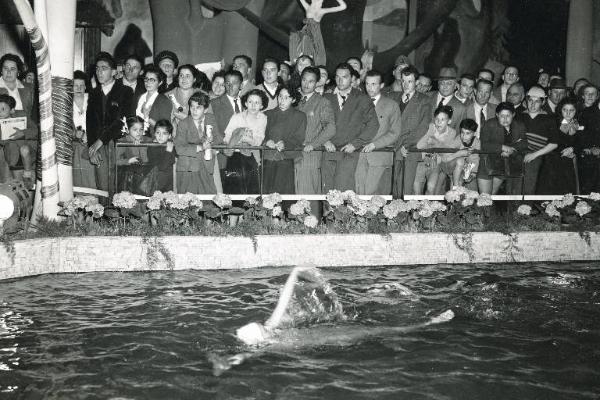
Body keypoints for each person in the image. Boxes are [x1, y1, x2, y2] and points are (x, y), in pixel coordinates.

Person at [209, 265, 455, 376]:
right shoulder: (272, 344)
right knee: (382, 331)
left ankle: (425, 326)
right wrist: (226, 363)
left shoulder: (271, 331)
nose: (266, 325)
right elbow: (245, 356)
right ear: (261, 337)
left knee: (376, 330)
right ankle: (429, 325)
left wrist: (295, 273)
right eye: (262, 328)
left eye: (262, 325)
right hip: (334, 338)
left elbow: (282, 302)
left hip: (331, 334)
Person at [322, 62, 379, 191]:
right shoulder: (326, 97)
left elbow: (373, 125)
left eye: (345, 77)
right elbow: (316, 123)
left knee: (343, 191)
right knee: (327, 192)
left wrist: (355, 144)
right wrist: (325, 140)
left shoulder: (362, 99)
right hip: (328, 151)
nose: (340, 80)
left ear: (352, 79)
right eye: (337, 76)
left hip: (349, 152)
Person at [87, 52, 134, 192]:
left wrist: (99, 141)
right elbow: (90, 123)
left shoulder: (125, 91)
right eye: (97, 68)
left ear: (114, 72)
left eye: (104, 68)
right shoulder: (93, 93)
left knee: (119, 188)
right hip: (98, 147)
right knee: (103, 189)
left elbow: (122, 120)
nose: (99, 72)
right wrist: (92, 149)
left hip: (117, 144)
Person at [355, 69, 401, 195]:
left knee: (373, 195)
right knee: (358, 193)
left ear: (381, 85)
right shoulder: (358, 103)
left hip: (379, 156)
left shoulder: (391, 105)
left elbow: (395, 132)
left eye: (374, 84)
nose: (370, 88)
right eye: (367, 84)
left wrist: (375, 144)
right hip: (358, 155)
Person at [296, 66, 336, 197]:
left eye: (311, 81)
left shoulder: (322, 102)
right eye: (304, 80)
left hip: (310, 155)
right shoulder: (292, 99)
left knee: (308, 194)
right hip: (291, 152)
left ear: (317, 82)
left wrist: (314, 144)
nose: (306, 84)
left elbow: (330, 128)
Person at [394, 66, 432, 197]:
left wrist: (408, 145)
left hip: (408, 150)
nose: (405, 84)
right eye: (403, 81)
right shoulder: (394, 98)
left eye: (409, 81)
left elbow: (423, 127)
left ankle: (404, 217)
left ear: (416, 82)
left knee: (405, 189)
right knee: (392, 188)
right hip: (391, 148)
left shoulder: (424, 100)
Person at [222, 88, 268, 194]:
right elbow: (227, 137)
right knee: (235, 189)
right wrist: (240, 138)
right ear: (246, 103)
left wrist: (247, 139)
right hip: (235, 156)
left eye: (257, 103)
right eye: (250, 102)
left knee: (251, 190)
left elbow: (259, 139)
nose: (253, 105)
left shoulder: (263, 118)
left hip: (252, 157)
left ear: (262, 106)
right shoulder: (236, 117)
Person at [263, 85, 307, 194]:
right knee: (266, 192)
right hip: (269, 158)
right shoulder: (268, 114)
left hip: (288, 158)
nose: (282, 100)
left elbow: (299, 137)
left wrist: (285, 144)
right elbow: (261, 134)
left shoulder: (300, 116)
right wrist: (266, 141)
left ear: (293, 99)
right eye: (280, 96)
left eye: (287, 97)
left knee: (284, 193)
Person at [174, 92, 221, 194]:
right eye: (192, 107)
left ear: (206, 109)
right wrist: (200, 147)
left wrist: (213, 141)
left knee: (209, 201)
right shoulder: (183, 123)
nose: (194, 111)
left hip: (206, 166)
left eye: (198, 107)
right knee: (188, 203)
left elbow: (219, 138)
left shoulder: (211, 118)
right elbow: (179, 149)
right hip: (188, 168)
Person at [477, 102, 528, 195]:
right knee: (485, 198)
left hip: (502, 165)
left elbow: (524, 143)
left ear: (513, 114)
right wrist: (502, 147)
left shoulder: (519, 125)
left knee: (492, 195)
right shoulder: (489, 124)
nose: (505, 119)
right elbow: (484, 145)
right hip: (487, 163)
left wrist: (510, 149)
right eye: (502, 116)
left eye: (508, 115)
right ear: (497, 115)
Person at [518, 86, 557, 195]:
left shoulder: (549, 119)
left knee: (528, 187)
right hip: (518, 154)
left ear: (543, 102)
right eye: (530, 100)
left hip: (536, 155)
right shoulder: (519, 116)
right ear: (526, 100)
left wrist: (534, 155)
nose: (533, 104)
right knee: (515, 187)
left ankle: (526, 210)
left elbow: (554, 143)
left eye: (537, 101)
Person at [536, 98, 579, 195]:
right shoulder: (554, 122)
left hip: (568, 163)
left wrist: (572, 149)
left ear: (576, 111)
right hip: (551, 161)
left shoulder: (577, 124)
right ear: (560, 110)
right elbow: (551, 142)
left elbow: (580, 142)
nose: (568, 113)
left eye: (571, 110)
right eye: (565, 110)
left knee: (567, 193)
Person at [415, 105, 457, 195]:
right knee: (416, 190)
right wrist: (429, 133)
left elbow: (446, 151)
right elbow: (419, 146)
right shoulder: (430, 127)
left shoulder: (452, 132)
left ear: (449, 121)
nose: (439, 122)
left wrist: (434, 141)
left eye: (443, 119)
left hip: (436, 163)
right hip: (421, 161)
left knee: (431, 187)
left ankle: (427, 207)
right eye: (437, 119)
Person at [0, 94, 38, 186]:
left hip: (28, 151)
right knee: (19, 186)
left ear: (12, 110)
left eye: (3, 109)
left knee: (24, 149)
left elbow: (36, 130)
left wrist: (23, 133)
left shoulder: (22, 115)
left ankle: (27, 174)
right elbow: (2, 142)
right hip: (12, 155)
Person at [437, 118, 480, 188]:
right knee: (460, 160)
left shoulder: (477, 142)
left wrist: (473, 174)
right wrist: (459, 153)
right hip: (448, 165)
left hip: (462, 168)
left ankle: (455, 191)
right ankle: (455, 187)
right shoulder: (457, 139)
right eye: (462, 132)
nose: (463, 136)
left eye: (467, 133)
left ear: (474, 133)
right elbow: (444, 159)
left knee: (461, 182)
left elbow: (475, 160)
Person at [71, 71, 96, 189]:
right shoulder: (67, 103)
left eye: (82, 85)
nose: (79, 88)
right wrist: (75, 133)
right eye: (75, 85)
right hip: (74, 143)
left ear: (86, 86)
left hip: (92, 141)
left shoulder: (92, 99)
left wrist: (90, 135)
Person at [115, 116, 151, 194]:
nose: (139, 132)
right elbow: (115, 161)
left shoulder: (148, 140)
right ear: (127, 130)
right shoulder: (123, 142)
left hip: (146, 177)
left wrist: (141, 146)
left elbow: (146, 160)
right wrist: (128, 160)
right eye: (135, 130)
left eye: (141, 129)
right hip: (129, 179)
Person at [576, 84, 600, 194]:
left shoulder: (596, 112)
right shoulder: (575, 110)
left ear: (597, 96)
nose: (590, 96)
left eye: (593, 93)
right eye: (587, 93)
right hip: (580, 150)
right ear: (582, 96)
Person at [165, 64, 204, 131]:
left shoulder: (203, 95)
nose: (184, 79)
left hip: (197, 136)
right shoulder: (167, 96)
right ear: (178, 78)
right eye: (181, 75)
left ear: (194, 79)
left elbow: (208, 122)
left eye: (187, 76)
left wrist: (186, 119)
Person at [135, 64, 172, 134]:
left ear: (160, 82)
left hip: (154, 139)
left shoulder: (164, 101)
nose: (148, 82)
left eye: (152, 80)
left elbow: (165, 129)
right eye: (146, 79)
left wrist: (147, 118)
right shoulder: (140, 97)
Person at [429, 67, 466, 132]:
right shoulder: (426, 97)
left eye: (449, 83)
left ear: (455, 86)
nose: (445, 86)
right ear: (438, 85)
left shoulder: (460, 108)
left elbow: (457, 133)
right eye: (442, 83)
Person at [0, 54, 35, 121]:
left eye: (12, 69)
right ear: (1, 71)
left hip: (24, 129)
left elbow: (32, 116)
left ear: (18, 72)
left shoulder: (28, 88)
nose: (9, 72)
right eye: (5, 68)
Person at [146, 119, 176, 192]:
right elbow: (162, 166)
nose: (160, 136)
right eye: (158, 132)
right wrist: (168, 151)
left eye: (164, 133)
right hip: (156, 183)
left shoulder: (170, 145)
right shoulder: (152, 147)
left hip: (169, 183)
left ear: (169, 136)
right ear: (154, 133)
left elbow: (173, 160)